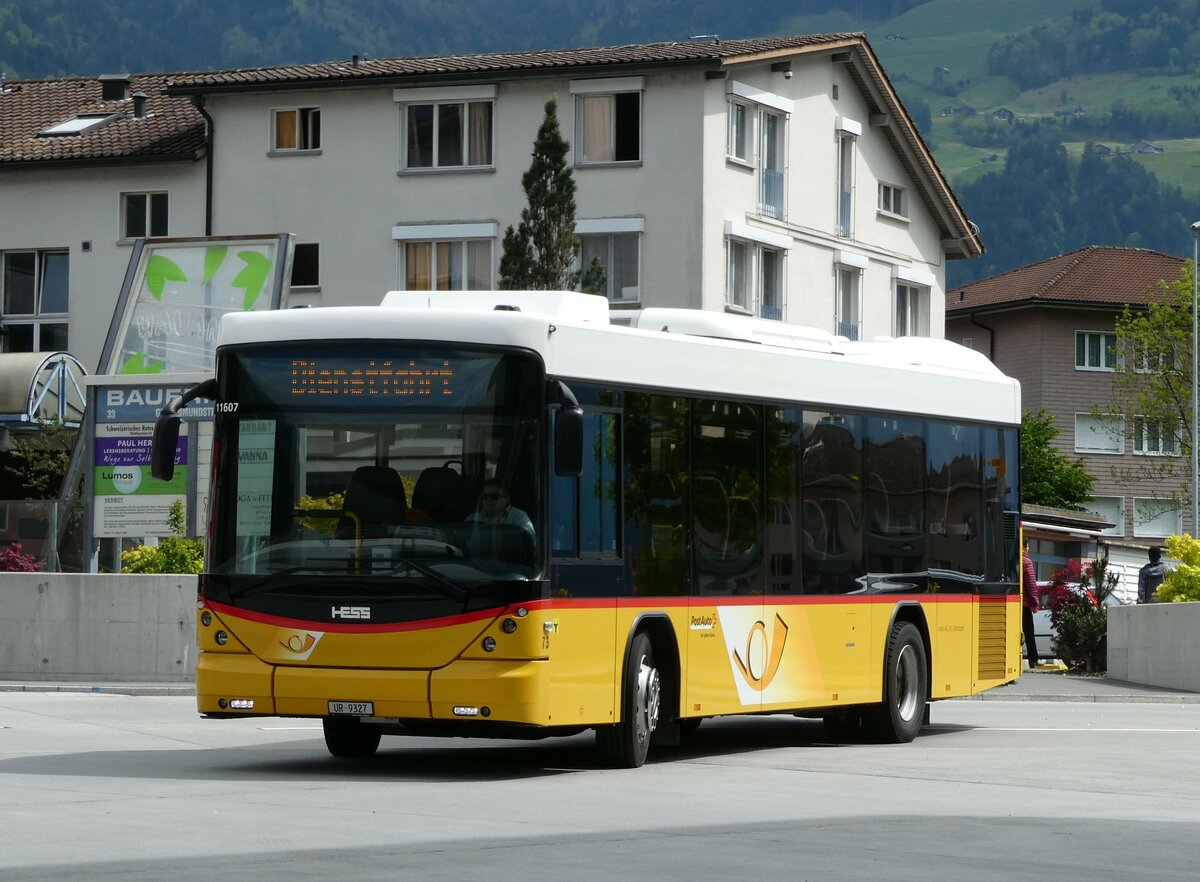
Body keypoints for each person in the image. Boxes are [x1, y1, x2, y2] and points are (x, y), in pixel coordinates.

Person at [466, 478, 535, 557]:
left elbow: (530, 545)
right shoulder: (472, 519)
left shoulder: (519, 517)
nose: (488, 500)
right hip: (478, 566)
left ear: (507, 499)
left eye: (494, 496)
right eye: (484, 496)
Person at [1022, 549, 1040, 668]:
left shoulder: (1010, 559)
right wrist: (1035, 602)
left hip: (1011, 602)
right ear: (1025, 547)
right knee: (1029, 632)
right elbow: (1031, 584)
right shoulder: (1026, 561)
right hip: (1024, 603)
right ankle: (1033, 659)